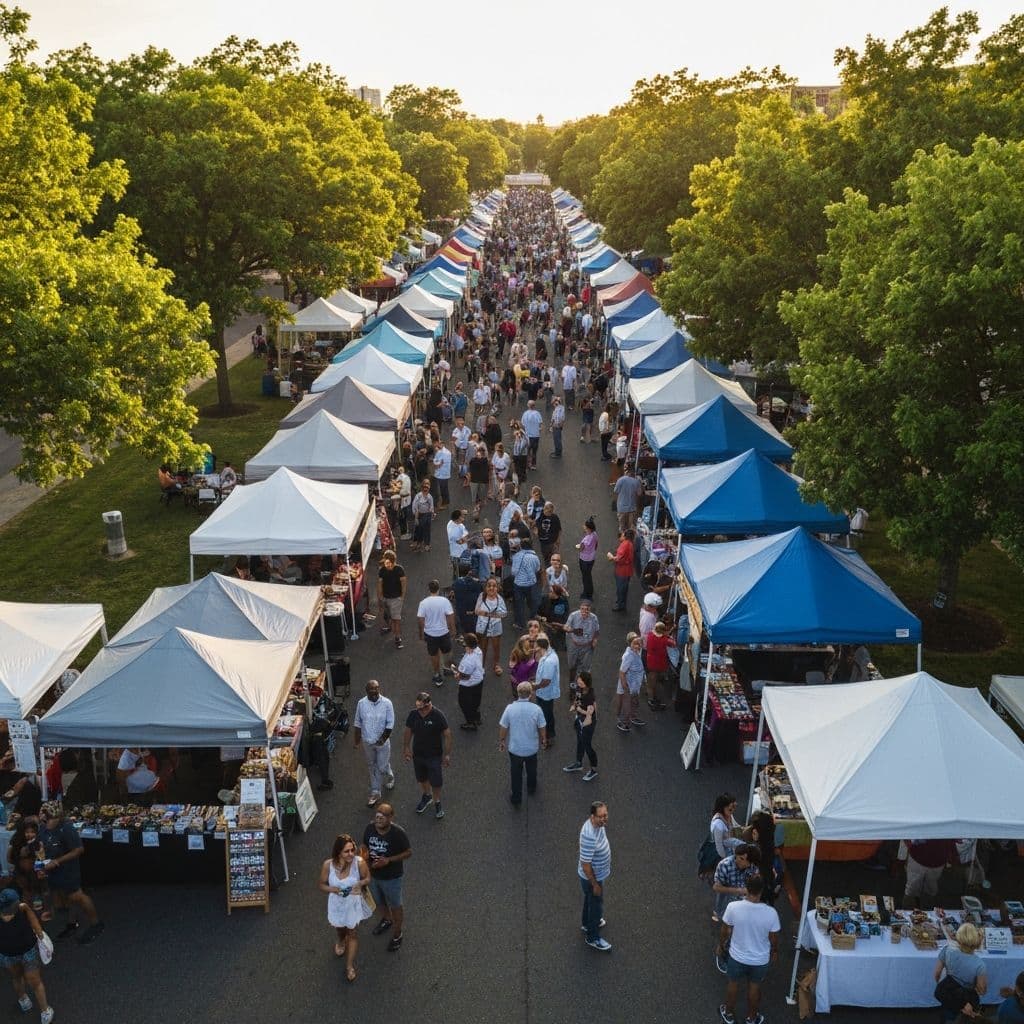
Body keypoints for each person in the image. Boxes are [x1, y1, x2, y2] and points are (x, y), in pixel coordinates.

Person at [716, 875, 780, 1024]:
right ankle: (751, 1018)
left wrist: (720, 945)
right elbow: (774, 938)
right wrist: (774, 951)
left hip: (737, 957)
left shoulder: (733, 907)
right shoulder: (771, 913)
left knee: (733, 984)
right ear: (762, 890)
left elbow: (725, 931)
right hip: (760, 960)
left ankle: (729, 1013)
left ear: (747, 888)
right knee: (754, 987)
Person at [37, 803, 102, 944]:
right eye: (44, 820)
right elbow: (41, 845)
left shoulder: (66, 828)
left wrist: (57, 861)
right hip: (53, 870)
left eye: (49, 820)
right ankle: (72, 924)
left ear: (57, 817)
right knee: (68, 897)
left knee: (77, 896)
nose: (46, 823)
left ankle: (96, 924)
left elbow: (79, 849)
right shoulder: (43, 826)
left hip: (68, 870)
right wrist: (41, 865)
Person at [318, 834, 372, 982]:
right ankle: (341, 940)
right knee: (340, 929)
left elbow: (367, 878)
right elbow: (321, 884)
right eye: (346, 851)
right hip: (336, 904)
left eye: (352, 850)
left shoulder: (359, 862)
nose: (350, 854)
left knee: (353, 933)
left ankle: (349, 966)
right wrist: (334, 890)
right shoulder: (328, 865)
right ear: (338, 852)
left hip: (352, 904)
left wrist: (359, 884)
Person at [361, 804, 411, 953]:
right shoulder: (369, 828)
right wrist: (362, 856)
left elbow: (408, 852)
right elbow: (364, 845)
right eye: (377, 814)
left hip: (392, 878)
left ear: (391, 818)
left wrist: (388, 860)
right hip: (373, 875)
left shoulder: (398, 833)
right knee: (378, 901)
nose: (379, 817)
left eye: (383, 815)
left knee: (396, 905)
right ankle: (387, 920)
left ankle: (397, 934)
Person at [0, 889, 53, 1023]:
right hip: (8, 954)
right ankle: (24, 999)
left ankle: (44, 1010)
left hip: (27, 951)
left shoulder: (22, 908)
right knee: (16, 977)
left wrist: (41, 935)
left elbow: (33, 920)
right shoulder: (18, 907)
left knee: (33, 979)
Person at [401, 693, 452, 820]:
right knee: (422, 778)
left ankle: (437, 800)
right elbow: (408, 730)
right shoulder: (414, 714)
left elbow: (447, 735)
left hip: (434, 755)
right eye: (418, 708)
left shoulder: (438, 715)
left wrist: (447, 755)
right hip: (418, 754)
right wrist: (406, 747)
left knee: (436, 781)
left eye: (422, 708)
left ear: (429, 704)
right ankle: (427, 795)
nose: (420, 711)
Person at [498, 682, 548, 806]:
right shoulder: (537, 709)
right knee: (532, 769)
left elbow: (504, 727)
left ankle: (516, 797)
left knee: (516, 774)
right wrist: (544, 739)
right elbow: (542, 726)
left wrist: (502, 741)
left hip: (515, 749)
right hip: (531, 749)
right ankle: (531, 787)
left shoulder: (509, 708)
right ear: (531, 695)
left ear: (518, 693)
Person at [352, 680, 396, 808]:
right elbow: (357, 722)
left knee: (381, 766)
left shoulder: (387, 703)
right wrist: (357, 740)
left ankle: (384, 781)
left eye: (376, 688)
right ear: (367, 691)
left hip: (382, 743)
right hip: (368, 742)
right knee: (372, 765)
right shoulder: (361, 704)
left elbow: (390, 723)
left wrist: (382, 739)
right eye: (371, 689)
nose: (374, 691)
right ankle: (376, 790)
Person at [934, 923, 988, 1022]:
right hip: (967, 1000)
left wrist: (944, 985)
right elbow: (982, 990)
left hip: (948, 994)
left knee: (948, 1017)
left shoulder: (947, 950)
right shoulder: (980, 965)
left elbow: (937, 974)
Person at [578, 801, 611, 951]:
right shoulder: (589, 835)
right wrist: (595, 884)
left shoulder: (598, 825)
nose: (604, 818)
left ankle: (586, 924)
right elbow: (585, 864)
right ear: (592, 817)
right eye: (601, 816)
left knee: (590, 901)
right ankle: (593, 937)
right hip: (593, 878)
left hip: (597, 874)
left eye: (606, 815)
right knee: (596, 904)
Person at [416, 580, 456, 687]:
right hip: (444, 632)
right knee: (446, 651)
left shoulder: (423, 603)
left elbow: (420, 619)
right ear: (438, 589)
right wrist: (453, 630)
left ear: (429, 589)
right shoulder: (444, 601)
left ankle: (437, 674)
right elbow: (451, 616)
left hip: (430, 634)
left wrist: (421, 633)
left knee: (433, 654)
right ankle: (446, 668)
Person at [563, 671, 598, 782]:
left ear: (587, 683)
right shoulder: (579, 689)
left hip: (587, 723)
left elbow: (590, 713)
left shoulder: (590, 696)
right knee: (580, 741)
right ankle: (578, 762)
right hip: (579, 720)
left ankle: (593, 769)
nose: (579, 682)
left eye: (582, 681)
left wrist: (578, 709)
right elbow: (577, 699)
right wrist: (574, 705)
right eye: (579, 679)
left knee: (587, 745)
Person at [903, 838, 958, 909]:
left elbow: (956, 836)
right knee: (911, 890)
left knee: (930, 891)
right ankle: (907, 915)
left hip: (938, 860)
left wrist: (953, 854)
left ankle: (927, 915)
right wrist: (908, 843)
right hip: (917, 857)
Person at [712, 843, 760, 924]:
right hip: (726, 899)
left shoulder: (753, 867)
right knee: (724, 917)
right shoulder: (724, 865)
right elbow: (716, 887)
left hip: (743, 902)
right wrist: (739, 890)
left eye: (743, 859)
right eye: (740, 857)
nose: (738, 860)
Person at [474, 577, 507, 677]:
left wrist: (488, 614)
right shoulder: (482, 596)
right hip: (482, 627)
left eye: (494, 586)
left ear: (497, 588)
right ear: (485, 588)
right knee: (482, 648)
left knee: (496, 647)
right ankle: (481, 667)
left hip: (495, 626)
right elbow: (476, 611)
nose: (491, 588)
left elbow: (504, 614)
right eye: (489, 586)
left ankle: (496, 665)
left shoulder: (499, 599)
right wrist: (489, 614)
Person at [562, 599, 600, 683]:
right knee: (572, 665)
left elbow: (597, 631)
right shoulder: (573, 615)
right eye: (582, 609)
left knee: (586, 667)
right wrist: (567, 628)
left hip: (587, 646)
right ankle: (572, 682)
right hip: (574, 644)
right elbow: (566, 626)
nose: (584, 611)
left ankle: (583, 683)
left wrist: (595, 639)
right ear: (580, 608)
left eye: (587, 609)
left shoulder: (594, 618)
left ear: (590, 610)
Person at [453, 633, 485, 730]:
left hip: (468, 685)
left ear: (467, 645)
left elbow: (465, 676)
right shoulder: (478, 651)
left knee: (464, 704)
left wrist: (457, 675)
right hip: (479, 681)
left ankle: (471, 722)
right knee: (476, 701)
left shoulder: (468, 661)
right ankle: (477, 717)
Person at [615, 633, 646, 733]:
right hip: (629, 686)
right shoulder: (629, 656)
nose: (638, 645)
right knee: (627, 705)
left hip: (635, 686)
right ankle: (624, 723)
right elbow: (622, 672)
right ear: (630, 644)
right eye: (635, 643)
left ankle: (632, 717)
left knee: (634, 703)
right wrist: (625, 687)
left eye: (639, 643)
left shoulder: (636, 652)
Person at [377, 549, 407, 650]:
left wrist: (402, 596)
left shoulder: (399, 570)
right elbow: (380, 584)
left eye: (388, 562)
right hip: (385, 598)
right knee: (387, 616)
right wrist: (380, 597)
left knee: (396, 619)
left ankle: (398, 638)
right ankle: (390, 628)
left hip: (396, 599)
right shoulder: (382, 570)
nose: (387, 564)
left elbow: (403, 583)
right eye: (386, 561)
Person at [532, 636, 560, 741]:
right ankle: (548, 732)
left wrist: (535, 686)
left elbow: (546, 681)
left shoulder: (549, 661)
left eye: (535, 644)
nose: (533, 645)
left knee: (546, 713)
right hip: (543, 692)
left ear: (539, 647)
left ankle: (548, 735)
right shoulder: (548, 655)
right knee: (545, 712)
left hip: (546, 693)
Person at [510, 539, 542, 629]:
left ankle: (520, 623)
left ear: (521, 546)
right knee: (532, 601)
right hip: (531, 583)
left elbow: (513, 572)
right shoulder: (534, 557)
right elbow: (537, 569)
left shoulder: (516, 556)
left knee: (519, 604)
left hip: (518, 584)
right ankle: (533, 617)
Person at [645, 621, 675, 711]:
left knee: (651, 679)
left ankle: (651, 697)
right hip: (660, 663)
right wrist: (670, 633)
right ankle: (653, 699)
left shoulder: (650, 635)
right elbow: (673, 643)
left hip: (651, 661)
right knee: (656, 681)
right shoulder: (664, 640)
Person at [607, 529, 635, 612]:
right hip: (627, 570)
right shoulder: (630, 544)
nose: (621, 536)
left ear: (626, 536)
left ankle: (620, 605)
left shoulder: (625, 545)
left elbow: (619, 558)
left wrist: (611, 557)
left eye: (622, 535)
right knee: (623, 589)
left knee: (621, 589)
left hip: (622, 571)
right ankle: (621, 603)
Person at [612, 466, 644, 533]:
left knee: (622, 526)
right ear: (634, 473)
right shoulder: (636, 482)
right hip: (632, 508)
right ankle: (630, 541)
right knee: (631, 527)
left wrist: (616, 502)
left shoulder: (621, 479)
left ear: (627, 472)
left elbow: (615, 491)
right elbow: (639, 494)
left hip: (621, 507)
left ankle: (622, 539)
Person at [575, 518, 599, 601]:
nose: (583, 526)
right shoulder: (595, 534)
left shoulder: (587, 539)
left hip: (584, 560)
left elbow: (581, 549)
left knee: (585, 577)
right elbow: (596, 544)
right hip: (591, 558)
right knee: (588, 575)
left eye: (584, 526)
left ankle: (587, 593)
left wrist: (579, 546)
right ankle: (589, 591)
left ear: (588, 528)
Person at [410, 478, 435, 553]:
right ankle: (417, 543)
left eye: (427, 487)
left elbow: (431, 506)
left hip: (427, 515)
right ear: (422, 488)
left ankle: (427, 544)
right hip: (419, 514)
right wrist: (415, 515)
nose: (425, 489)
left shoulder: (430, 497)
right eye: (424, 487)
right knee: (418, 529)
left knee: (427, 530)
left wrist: (432, 512)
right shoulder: (418, 496)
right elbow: (414, 506)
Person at [447, 509, 469, 581]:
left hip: (462, 552)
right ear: (457, 519)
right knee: (458, 573)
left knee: (460, 572)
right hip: (458, 555)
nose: (463, 518)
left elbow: (464, 532)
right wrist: (468, 538)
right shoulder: (453, 531)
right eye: (461, 517)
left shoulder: (454, 522)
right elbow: (460, 541)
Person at [521, 400, 543, 468]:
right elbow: (541, 424)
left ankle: (527, 464)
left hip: (527, 436)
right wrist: (538, 430)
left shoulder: (525, 414)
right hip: (536, 436)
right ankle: (533, 464)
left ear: (528, 405)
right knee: (534, 451)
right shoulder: (537, 414)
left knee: (527, 451)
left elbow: (523, 424)